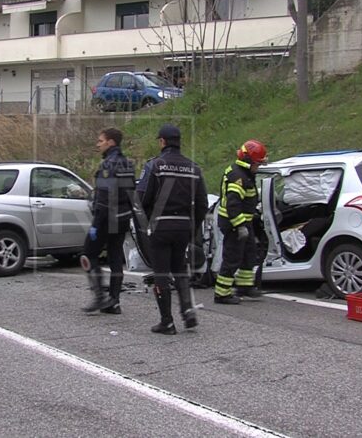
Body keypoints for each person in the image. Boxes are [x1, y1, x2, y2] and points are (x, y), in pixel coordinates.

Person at [141, 124, 208, 335]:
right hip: (184, 227)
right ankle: (188, 311)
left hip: (161, 225)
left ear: (162, 141)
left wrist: (149, 218)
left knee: (161, 272)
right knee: (180, 270)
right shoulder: (194, 168)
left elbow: (143, 197)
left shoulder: (155, 166)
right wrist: (192, 227)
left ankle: (167, 322)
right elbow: (203, 203)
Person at [81, 127, 135, 314]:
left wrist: (96, 225)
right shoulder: (128, 164)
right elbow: (131, 194)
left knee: (88, 255)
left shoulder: (108, 166)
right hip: (122, 218)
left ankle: (99, 297)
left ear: (111, 142)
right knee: (115, 258)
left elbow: (104, 198)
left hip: (107, 218)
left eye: (101, 140)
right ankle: (114, 301)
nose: (98, 144)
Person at [214, 139, 268, 304]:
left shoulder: (244, 173)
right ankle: (222, 293)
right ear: (248, 161)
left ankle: (245, 287)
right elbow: (233, 205)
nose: (258, 167)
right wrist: (239, 226)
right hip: (233, 223)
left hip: (244, 222)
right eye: (257, 163)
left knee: (249, 253)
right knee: (232, 257)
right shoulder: (238, 177)